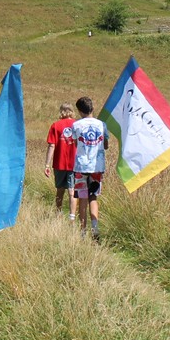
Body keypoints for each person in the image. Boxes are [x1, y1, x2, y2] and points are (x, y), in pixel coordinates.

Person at [71, 96, 108, 241]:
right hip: (97, 166)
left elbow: (75, 144)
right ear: (92, 108)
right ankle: (95, 228)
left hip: (81, 165)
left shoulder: (76, 125)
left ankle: (82, 232)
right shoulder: (102, 125)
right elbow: (105, 145)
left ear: (80, 111)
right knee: (93, 197)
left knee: (82, 197)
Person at [44, 103, 77, 220]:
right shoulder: (77, 125)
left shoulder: (55, 126)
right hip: (75, 164)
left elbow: (51, 146)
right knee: (72, 191)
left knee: (60, 190)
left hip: (59, 163)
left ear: (61, 112)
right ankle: (72, 217)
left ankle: (58, 213)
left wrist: (47, 164)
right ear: (72, 111)